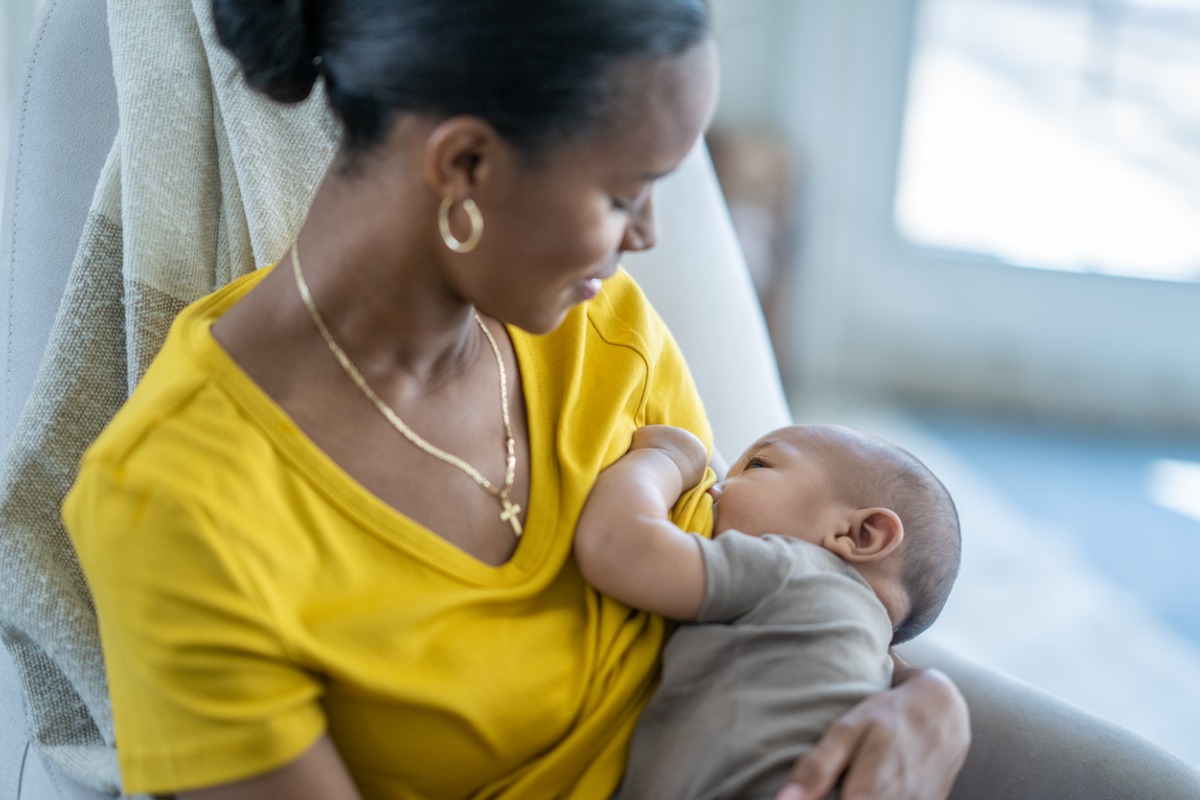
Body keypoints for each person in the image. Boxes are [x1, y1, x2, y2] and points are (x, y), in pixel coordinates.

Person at [60, 1, 968, 798]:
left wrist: (932, 706)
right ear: (466, 165)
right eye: (624, 195)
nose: (647, 236)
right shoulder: (178, 504)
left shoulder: (604, 331)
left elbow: (785, 609)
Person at [575, 423, 962, 800]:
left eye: (757, 465)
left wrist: (665, 459)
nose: (714, 486)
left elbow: (617, 546)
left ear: (858, 535)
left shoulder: (796, 569)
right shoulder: (871, 660)